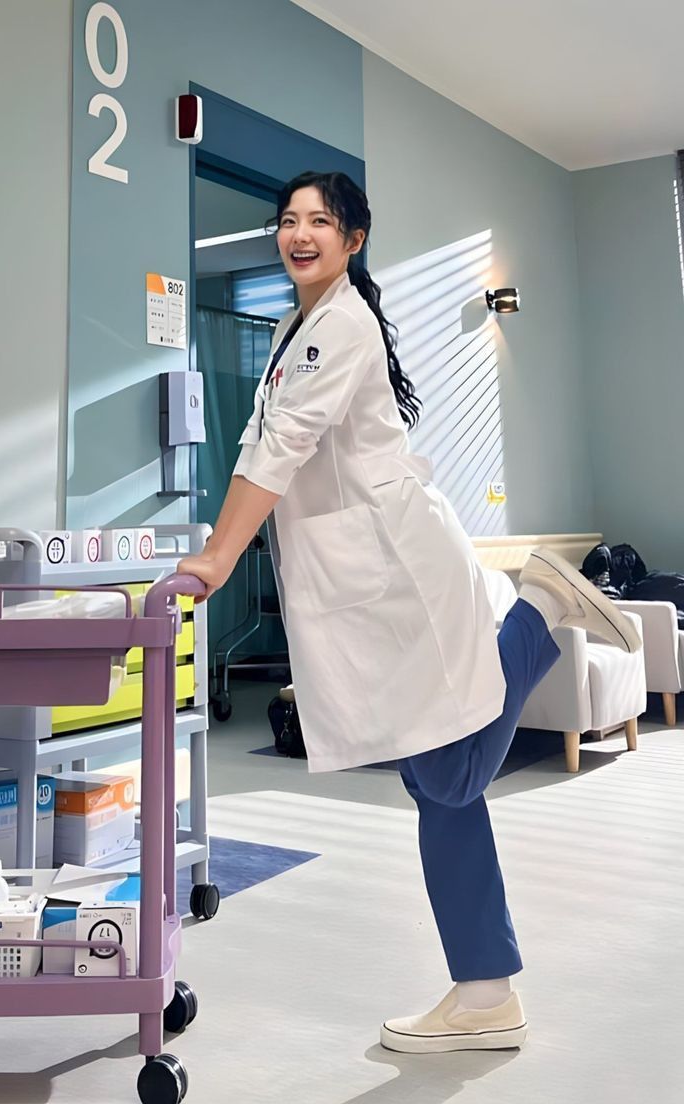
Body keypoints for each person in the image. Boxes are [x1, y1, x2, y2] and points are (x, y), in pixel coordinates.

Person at [177, 170, 642, 1054]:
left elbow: (282, 447)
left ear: (353, 238)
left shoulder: (339, 323)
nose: (298, 233)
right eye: (287, 221)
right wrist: (219, 537)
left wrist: (216, 557)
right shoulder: (291, 328)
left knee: (443, 782)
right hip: (366, 581)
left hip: (395, 574)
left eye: (320, 220)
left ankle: (541, 612)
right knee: (442, 787)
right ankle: (486, 990)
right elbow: (256, 445)